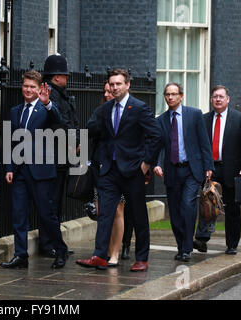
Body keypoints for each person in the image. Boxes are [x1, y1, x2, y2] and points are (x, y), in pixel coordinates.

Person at [76, 68, 162, 271]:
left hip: (133, 171)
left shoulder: (139, 108)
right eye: (112, 84)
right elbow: (102, 136)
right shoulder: (105, 109)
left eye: (118, 84)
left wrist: (146, 163)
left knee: (139, 215)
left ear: (127, 85)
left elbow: (157, 135)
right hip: (109, 171)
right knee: (104, 213)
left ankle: (141, 258)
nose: (114, 88)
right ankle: (99, 255)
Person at [0, 70, 69, 269]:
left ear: (40, 89)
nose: (28, 90)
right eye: (26, 86)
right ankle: (21, 255)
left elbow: (58, 120)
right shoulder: (15, 111)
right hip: (20, 171)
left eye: (32, 87)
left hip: (41, 171)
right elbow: (11, 142)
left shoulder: (45, 109)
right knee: (19, 215)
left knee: (46, 215)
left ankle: (60, 249)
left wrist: (47, 103)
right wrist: (9, 168)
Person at [153, 82, 214, 262]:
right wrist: (157, 163)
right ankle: (181, 246)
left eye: (174, 94)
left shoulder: (194, 115)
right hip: (171, 171)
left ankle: (187, 248)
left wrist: (208, 166)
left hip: (191, 169)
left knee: (188, 206)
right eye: (167, 94)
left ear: (181, 96)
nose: (170, 97)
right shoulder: (161, 120)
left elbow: (204, 142)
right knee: (175, 211)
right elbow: (159, 146)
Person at [193, 85, 241, 255]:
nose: (218, 99)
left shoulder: (240, 119)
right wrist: (204, 166)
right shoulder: (203, 119)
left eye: (221, 96)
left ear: (228, 99)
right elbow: (199, 146)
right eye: (215, 97)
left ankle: (232, 244)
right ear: (211, 100)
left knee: (232, 208)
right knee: (207, 204)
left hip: (232, 169)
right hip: (210, 169)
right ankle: (202, 240)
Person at [37, 53, 80, 258]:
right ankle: (49, 244)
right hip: (54, 156)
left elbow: (71, 121)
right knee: (51, 202)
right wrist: (73, 143)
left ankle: (55, 242)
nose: (67, 78)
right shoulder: (51, 95)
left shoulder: (59, 94)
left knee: (56, 202)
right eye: (64, 75)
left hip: (62, 155)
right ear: (56, 77)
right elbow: (60, 124)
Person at [87, 80, 126, 267]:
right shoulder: (101, 111)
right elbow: (90, 129)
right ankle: (106, 250)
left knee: (118, 210)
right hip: (101, 168)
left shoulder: (129, 110)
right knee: (102, 211)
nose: (107, 94)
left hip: (122, 169)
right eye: (105, 92)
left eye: (110, 91)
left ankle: (115, 253)